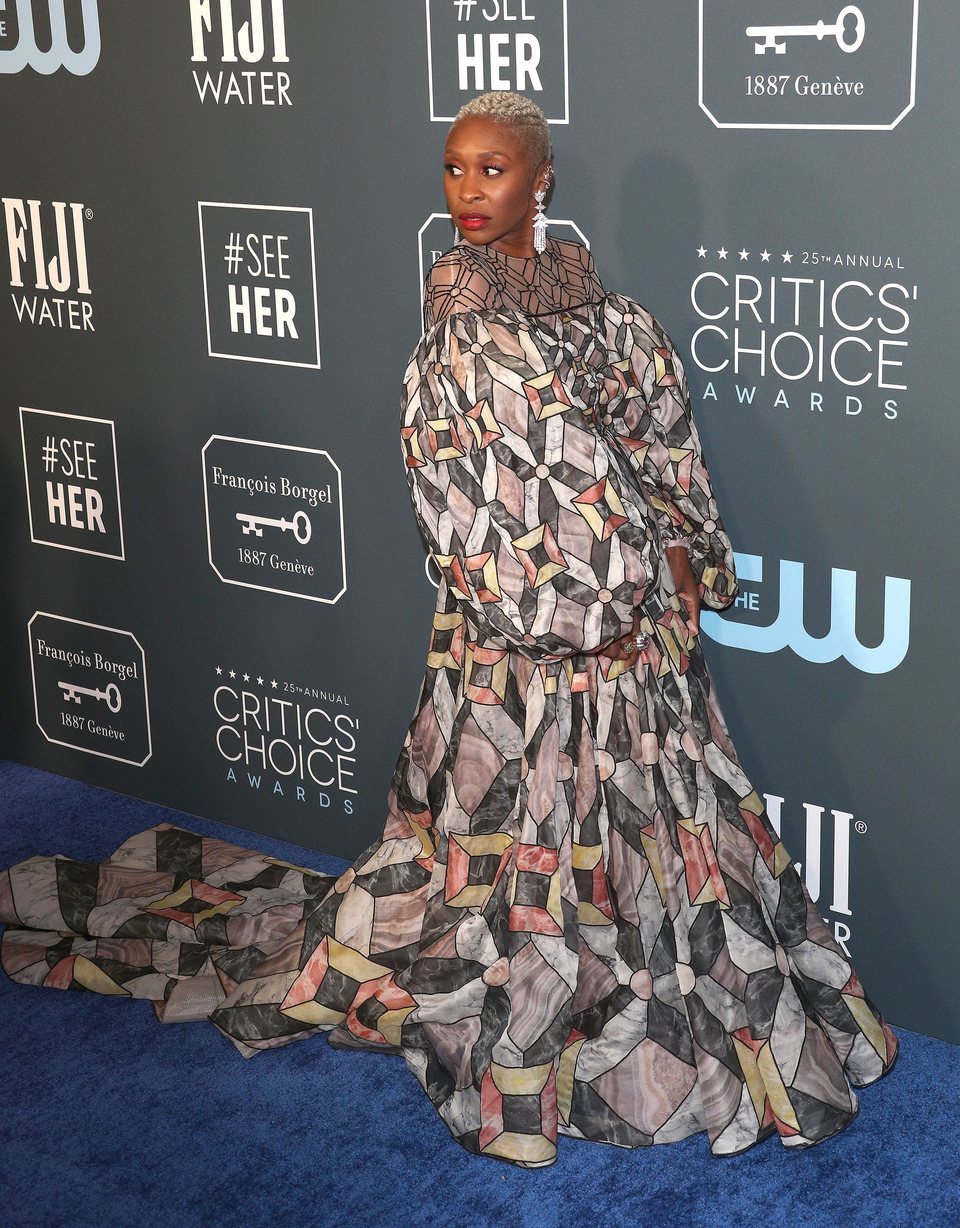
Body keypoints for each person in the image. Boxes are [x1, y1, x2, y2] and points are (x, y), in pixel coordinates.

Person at [0, 91, 897, 1170]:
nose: (469, 193)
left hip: (637, 659)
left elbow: (665, 453)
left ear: (542, 180)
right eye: (455, 170)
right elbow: (489, 517)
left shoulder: (616, 319)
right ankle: (542, 1022)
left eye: (494, 171)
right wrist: (607, 599)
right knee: (513, 862)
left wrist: (676, 562)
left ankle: (635, 987)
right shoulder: (458, 341)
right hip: (523, 660)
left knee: (659, 844)